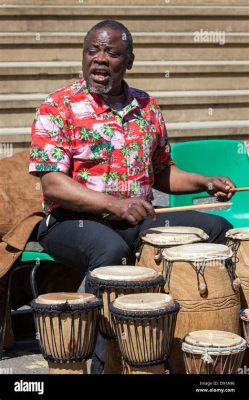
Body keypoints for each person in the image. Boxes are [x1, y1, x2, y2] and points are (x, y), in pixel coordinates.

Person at [29, 19, 235, 373]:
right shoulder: (58, 106)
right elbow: (52, 183)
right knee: (110, 250)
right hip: (70, 221)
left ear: (130, 61)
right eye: (92, 50)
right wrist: (114, 204)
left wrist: (204, 182)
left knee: (217, 227)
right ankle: (101, 363)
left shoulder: (147, 106)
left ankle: (198, 341)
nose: (100, 59)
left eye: (112, 52)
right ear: (83, 56)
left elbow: (161, 172)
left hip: (136, 217)